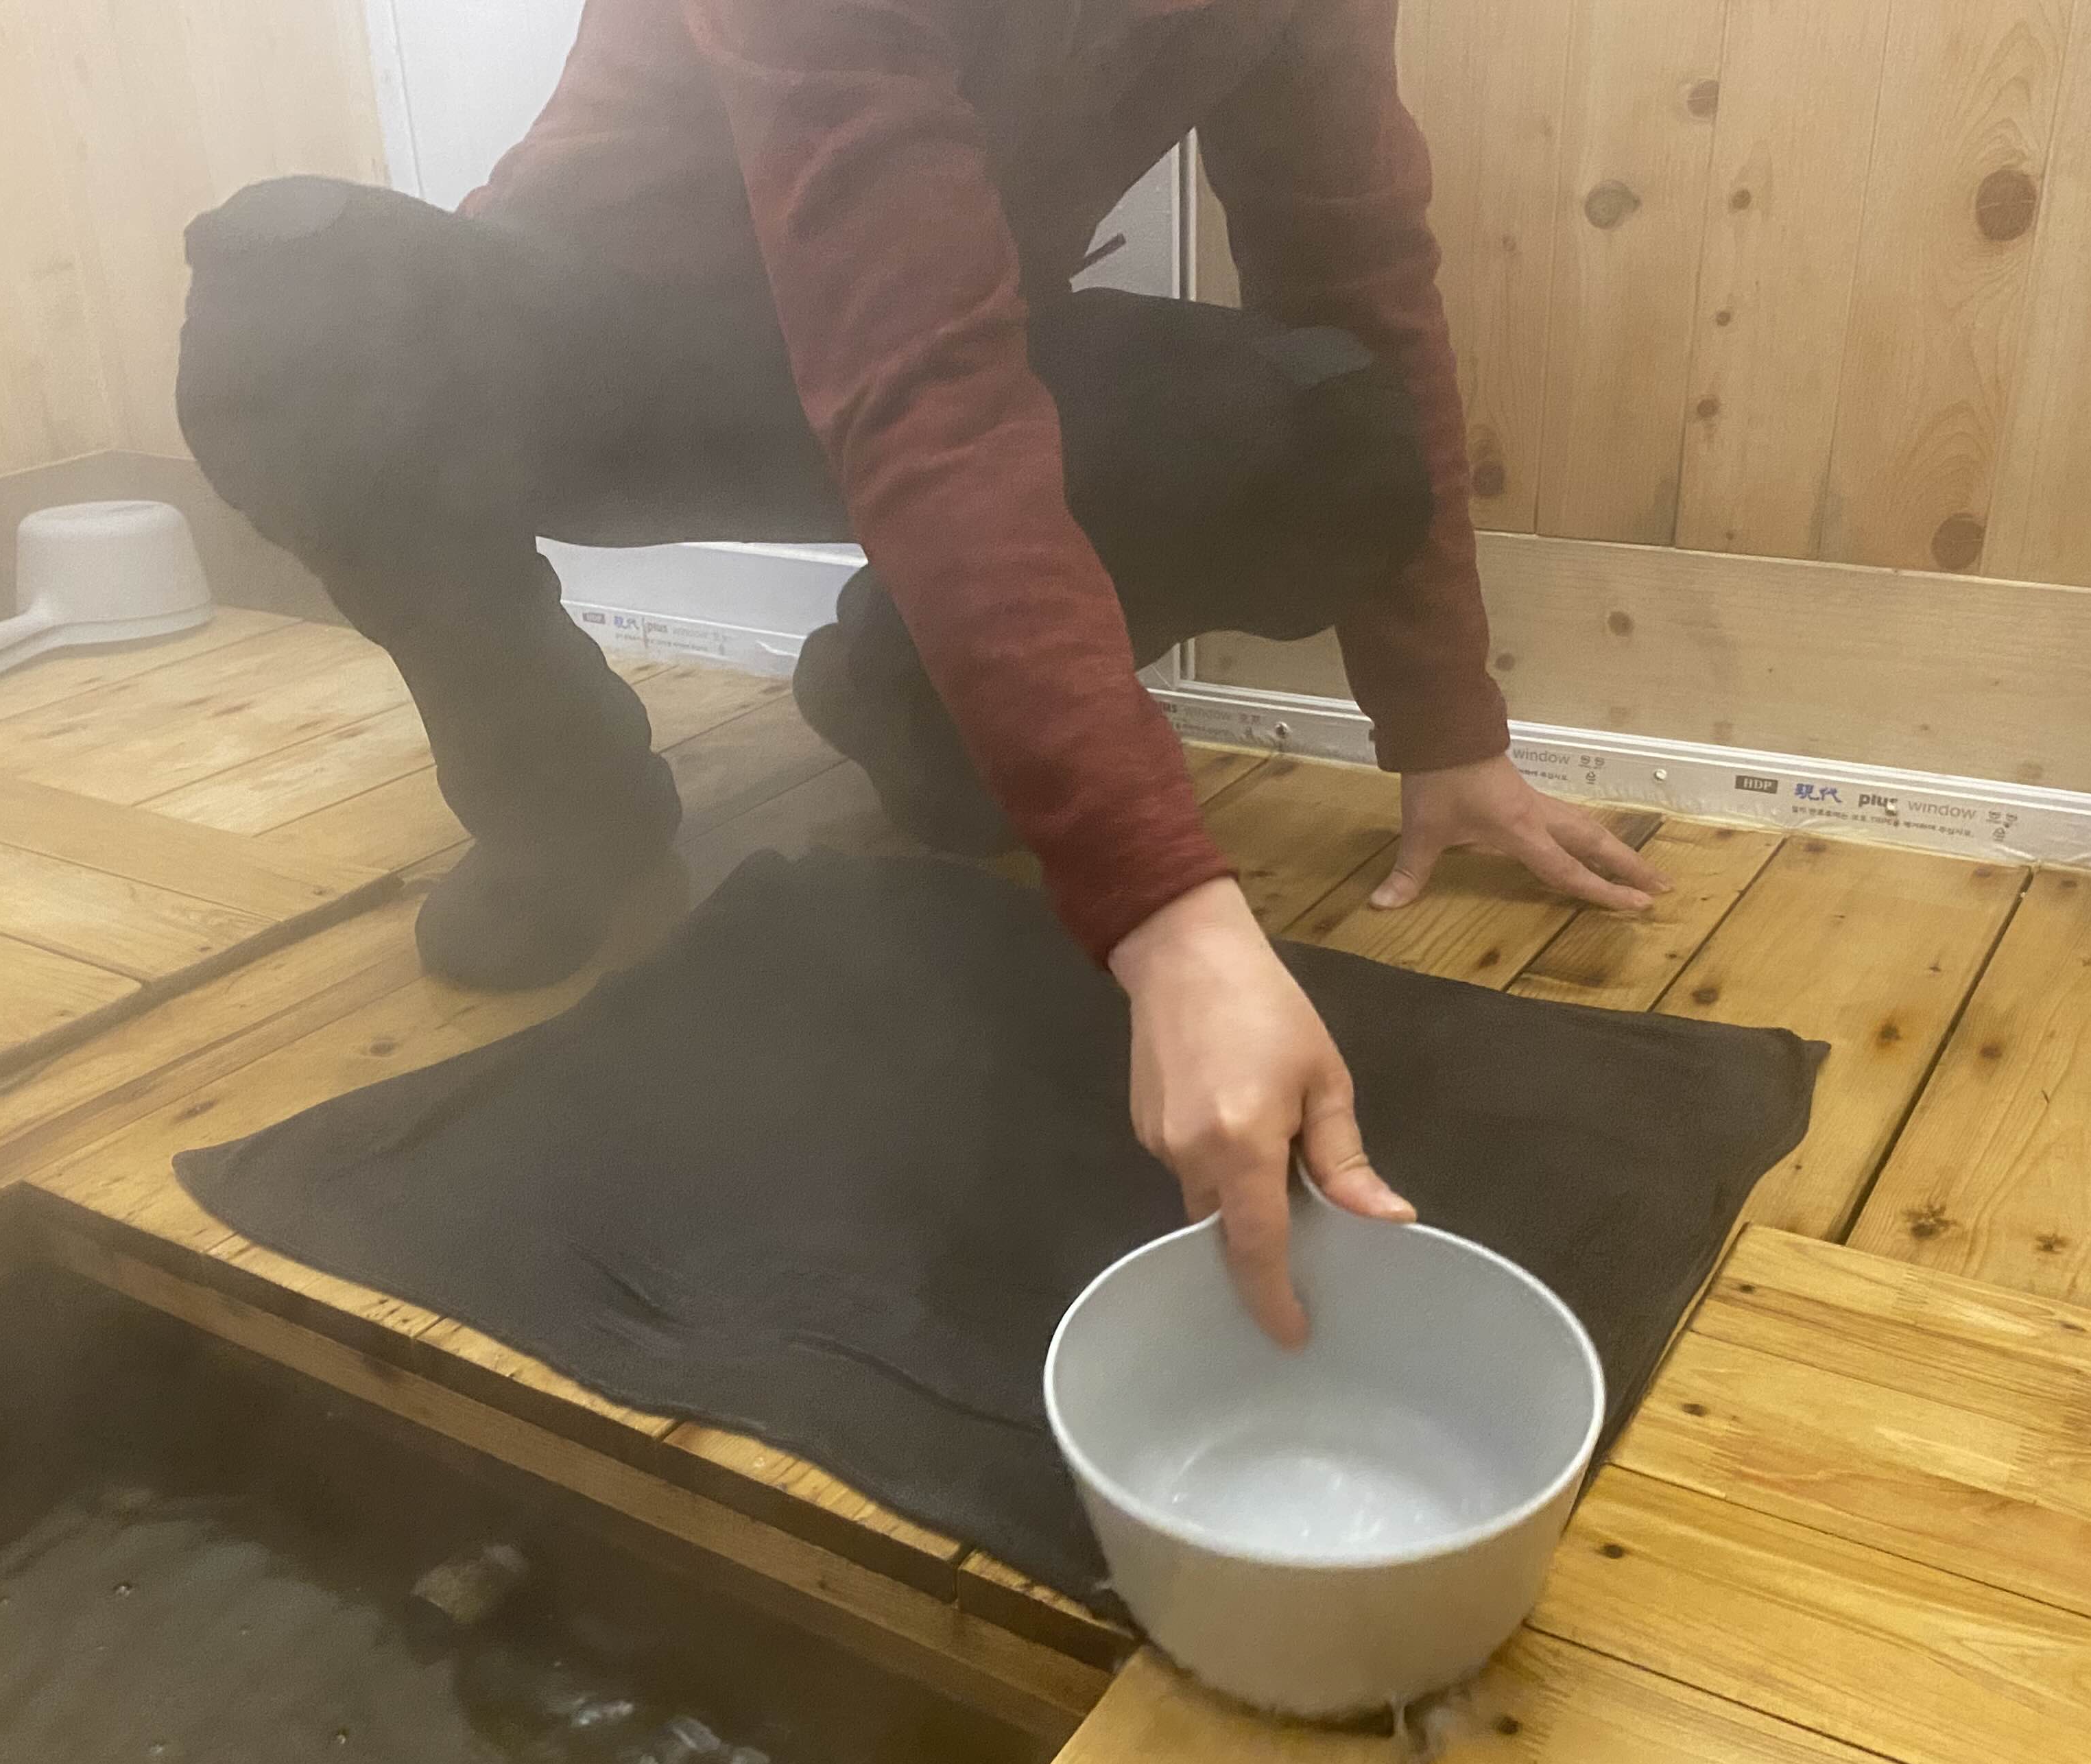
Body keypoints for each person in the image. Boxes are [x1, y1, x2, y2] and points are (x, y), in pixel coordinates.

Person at [173, 0, 1667, 1347]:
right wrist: (1169, 922)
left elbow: (1355, 281)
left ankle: (909, 701)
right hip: (603, 352)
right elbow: (919, 386)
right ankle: (566, 808)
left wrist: (1447, 728)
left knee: (1329, 423)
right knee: (292, 302)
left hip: (939, 331)